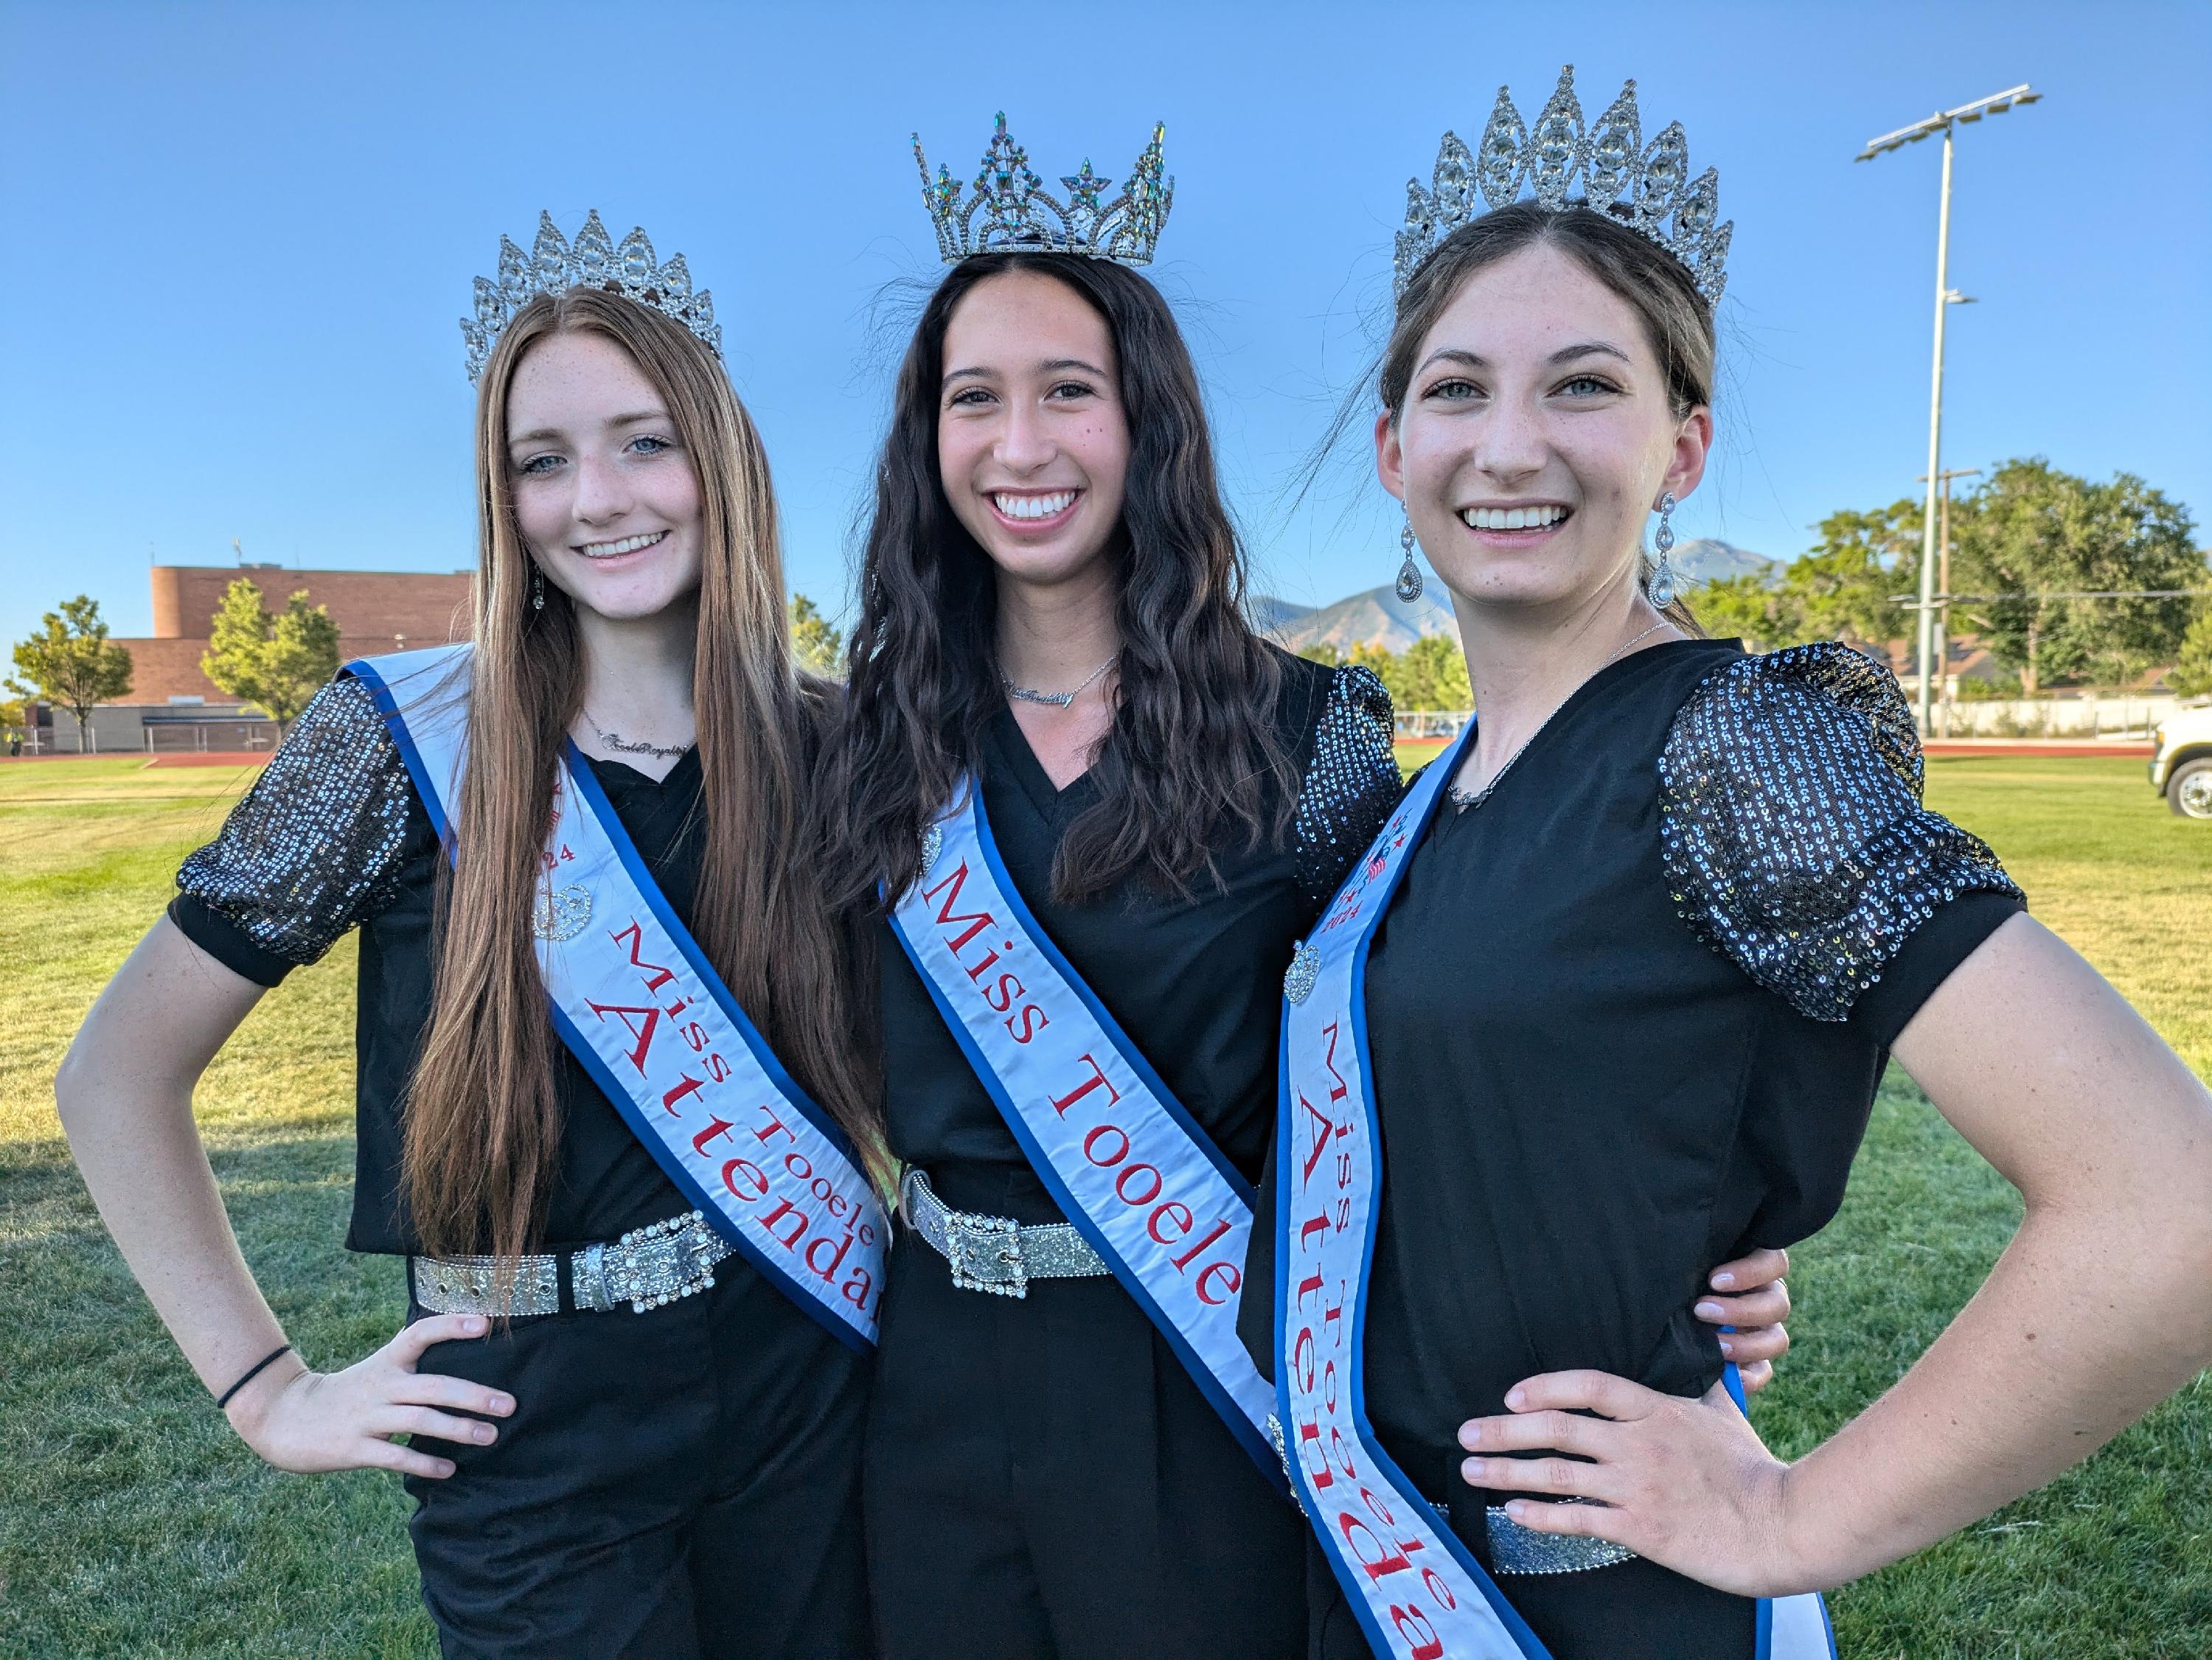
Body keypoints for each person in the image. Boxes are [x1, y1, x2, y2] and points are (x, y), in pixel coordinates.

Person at [1253, 68, 2212, 1660]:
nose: (1508, 446)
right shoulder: (1421, 801)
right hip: (1370, 1583)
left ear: (1683, 444)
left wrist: (1794, 1514)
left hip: (1597, 1608)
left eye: (1581, 386)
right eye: (1456, 390)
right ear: (1389, 444)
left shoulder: (1733, 748)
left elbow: (2164, 1200)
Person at [830, 114, 1792, 1660]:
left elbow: (1444, 1029)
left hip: (1205, 1369)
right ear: (924, 440)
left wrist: (1704, 1245)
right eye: (973, 400)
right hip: (931, 1376)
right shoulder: (861, 743)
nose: (1020, 446)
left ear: (1146, 421)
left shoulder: (1313, 734)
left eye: (1070, 391)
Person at [55, 213, 886, 1660]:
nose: (597, 498)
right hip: (526, 1420)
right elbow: (114, 1075)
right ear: (502, 500)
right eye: (541, 459)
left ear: (721, 462)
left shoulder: (830, 742)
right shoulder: (401, 734)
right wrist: (267, 1389)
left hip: (804, 1376)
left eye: (643, 441)